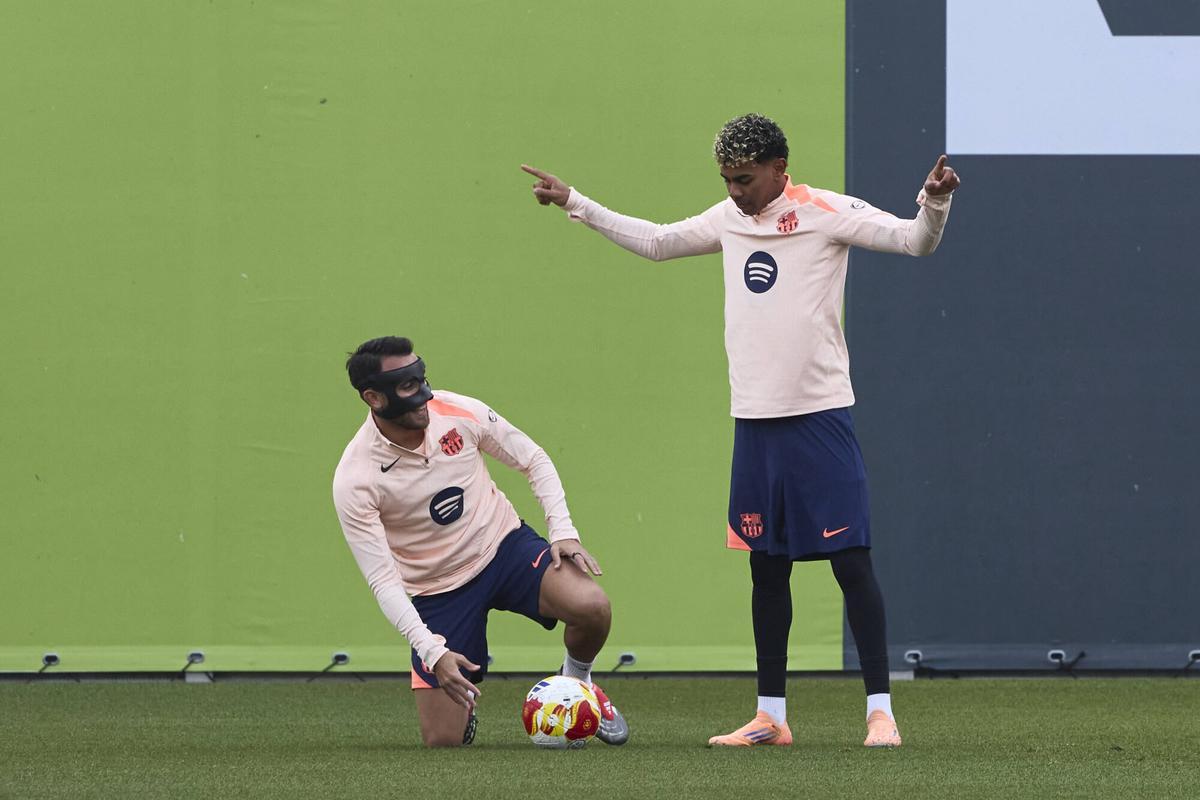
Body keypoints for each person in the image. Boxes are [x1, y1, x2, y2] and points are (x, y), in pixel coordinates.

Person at [522, 113, 959, 748]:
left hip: (820, 419)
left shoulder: (825, 211)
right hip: (754, 426)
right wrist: (576, 202)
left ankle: (880, 713)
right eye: (727, 179)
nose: (735, 192)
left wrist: (934, 202)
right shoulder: (728, 219)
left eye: (745, 179)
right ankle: (770, 717)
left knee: (851, 564)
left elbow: (914, 241)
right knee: (766, 569)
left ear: (780, 168)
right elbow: (657, 242)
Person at [332, 336, 629, 747]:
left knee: (592, 607)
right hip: (438, 590)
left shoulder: (457, 411)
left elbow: (534, 459)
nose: (425, 395)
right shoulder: (356, 478)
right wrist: (433, 652)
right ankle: (463, 715)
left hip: (504, 548)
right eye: (407, 386)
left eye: (422, 379)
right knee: (443, 740)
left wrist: (562, 531)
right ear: (373, 398)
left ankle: (579, 685)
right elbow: (383, 580)